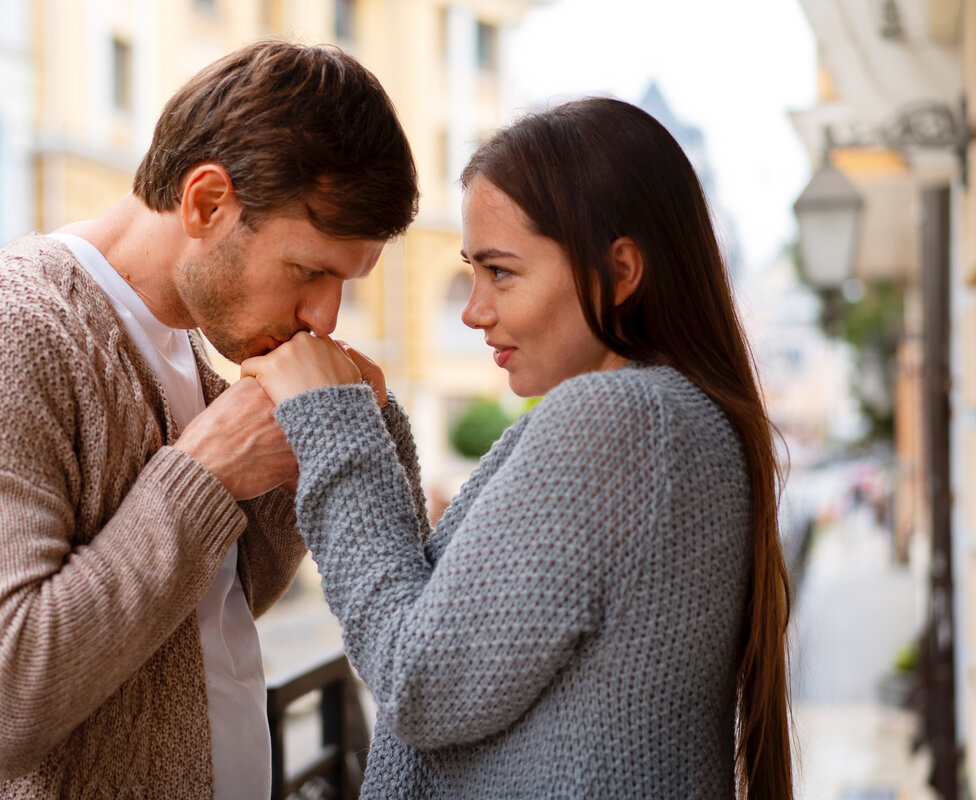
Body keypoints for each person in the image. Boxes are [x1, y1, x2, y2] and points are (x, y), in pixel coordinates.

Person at [0, 40, 418, 799]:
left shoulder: (187, 347)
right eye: (310, 270)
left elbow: (204, 614)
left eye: (344, 282)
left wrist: (313, 440)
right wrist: (205, 475)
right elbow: (2, 703)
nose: (324, 315)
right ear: (206, 202)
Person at [243, 97, 793, 799]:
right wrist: (372, 428)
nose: (475, 310)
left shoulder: (622, 420)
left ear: (619, 271)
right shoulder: (672, 418)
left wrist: (330, 424)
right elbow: (453, 615)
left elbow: (420, 682)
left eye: (501, 272)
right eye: (472, 271)